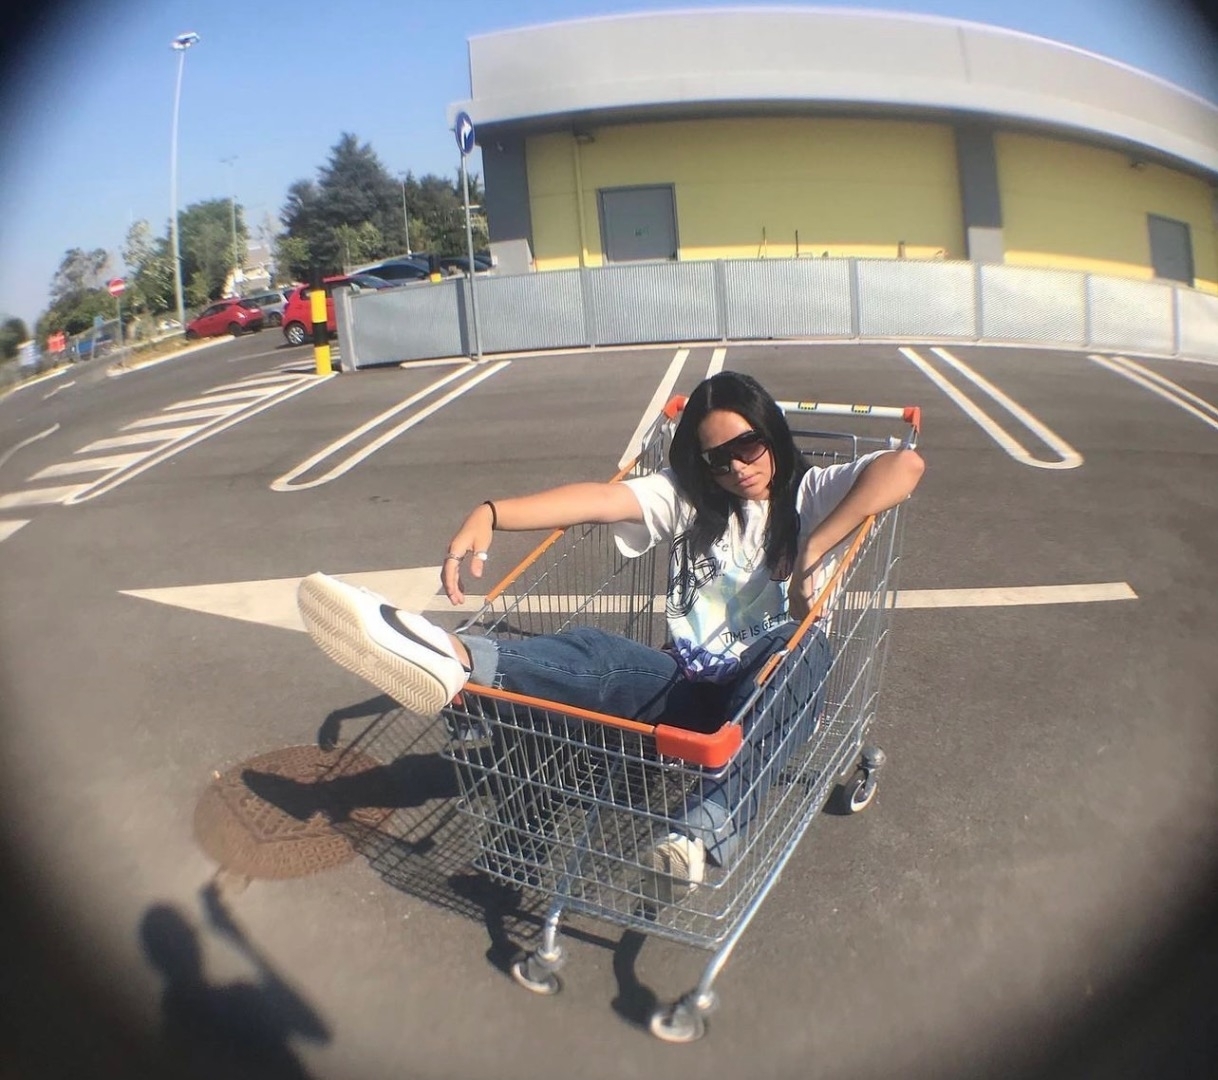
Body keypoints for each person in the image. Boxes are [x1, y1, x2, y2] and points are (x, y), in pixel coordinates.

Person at [297, 371, 923, 897]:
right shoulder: (692, 500)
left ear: (772, 433)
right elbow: (598, 500)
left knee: (804, 646)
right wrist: (491, 513)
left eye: (748, 445)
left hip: (770, 692)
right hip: (688, 688)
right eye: (718, 458)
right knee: (599, 654)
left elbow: (905, 464)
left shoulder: (811, 493)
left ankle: (697, 834)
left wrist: (814, 546)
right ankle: (453, 657)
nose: (738, 467)